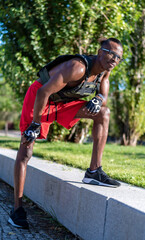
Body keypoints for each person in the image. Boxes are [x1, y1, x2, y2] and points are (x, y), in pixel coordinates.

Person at [8, 37, 123, 229]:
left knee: (104, 113)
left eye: (118, 57)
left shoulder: (105, 69)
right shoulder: (77, 67)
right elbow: (43, 92)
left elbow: (105, 84)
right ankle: (17, 209)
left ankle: (94, 171)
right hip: (39, 99)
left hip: (62, 103)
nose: (114, 59)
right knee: (26, 152)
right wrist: (35, 124)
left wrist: (100, 98)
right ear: (100, 52)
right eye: (111, 53)